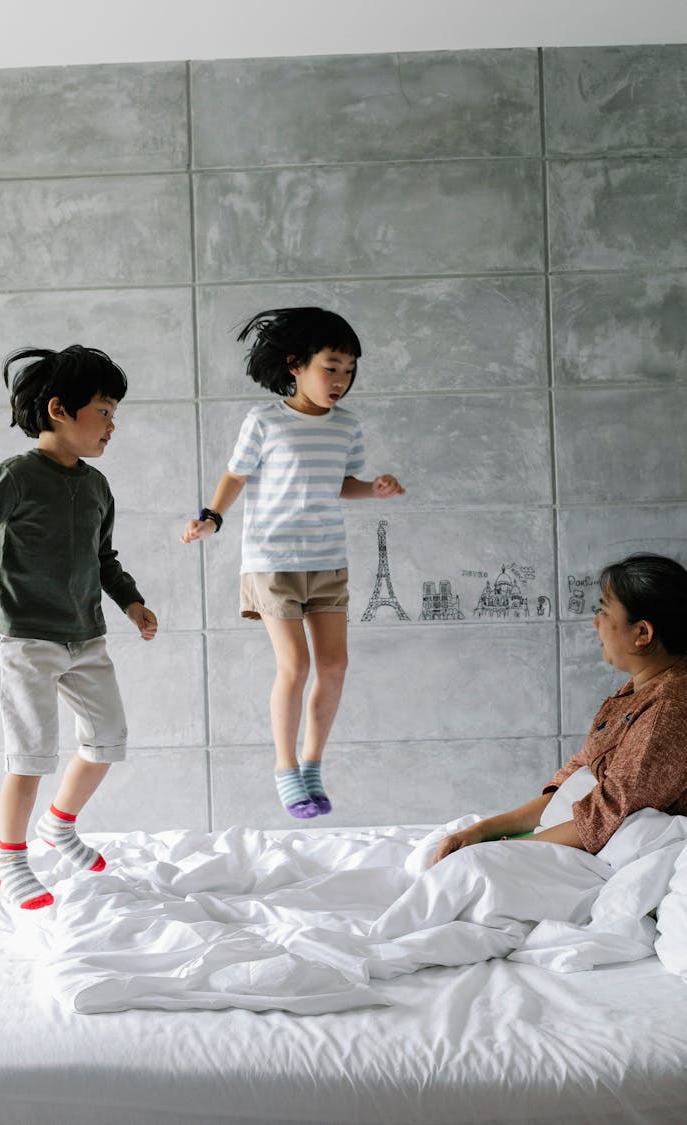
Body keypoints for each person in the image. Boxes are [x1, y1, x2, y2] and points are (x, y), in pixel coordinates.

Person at [0, 345, 158, 910]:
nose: (114, 424)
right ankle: (9, 859)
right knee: (31, 756)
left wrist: (131, 603)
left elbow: (104, 558)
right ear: (61, 409)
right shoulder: (14, 476)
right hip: (23, 639)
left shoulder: (97, 486)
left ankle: (59, 826)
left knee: (108, 740)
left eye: (114, 412)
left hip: (86, 636)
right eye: (104, 411)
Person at [182, 307, 404, 819]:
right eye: (331, 367)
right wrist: (212, 516)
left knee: (334, 665)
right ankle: (285, 768)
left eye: (349, 370)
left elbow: (342, 483)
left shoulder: (347, 426)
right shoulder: (265, 421)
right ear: (295, 365)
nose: (341, 380)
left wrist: (374, 489)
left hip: (327, 561)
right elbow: (236, 475)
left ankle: (311, 766)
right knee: (296, 665)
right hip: (272, 560)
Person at [432, 553, 687, 865]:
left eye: (604, 612)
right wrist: (483, 830)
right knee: (440, 849)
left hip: (605, 855)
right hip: (568, 832)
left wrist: (504, 850)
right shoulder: (639, 690)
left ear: (642, 634)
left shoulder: (668, 712)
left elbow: (604, 817)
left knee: (459, 872)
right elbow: (580, 773)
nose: (595, 622)